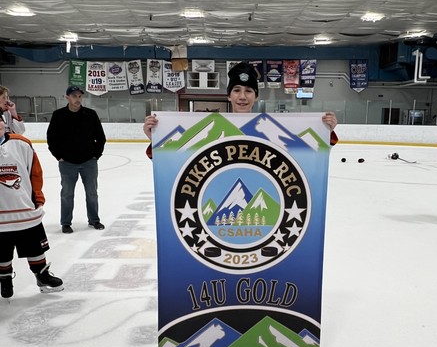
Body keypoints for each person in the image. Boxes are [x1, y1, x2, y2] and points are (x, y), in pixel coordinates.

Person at [143, 61, 338, 154]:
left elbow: (306, 154)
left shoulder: (271, 128)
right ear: (229, 96)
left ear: (256, 96)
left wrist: (326, 130)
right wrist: (156, 137)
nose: (242, 96)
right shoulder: (210, 127)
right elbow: (177, 159)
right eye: (236, 90)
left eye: (248, 91)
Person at [0, 116, 63, 298]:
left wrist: (38, 198)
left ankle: (42, 275)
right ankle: (5, 278)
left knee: (35, 247)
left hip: (25, 210)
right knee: (2, 251)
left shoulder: (22, 144)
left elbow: (35, 173)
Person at [46, 86, 107, 233]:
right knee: (67, 194)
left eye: (79, 96)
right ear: (67, 97)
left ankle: (94, 220)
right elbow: (52, 138)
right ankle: (66, 223)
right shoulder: (58, 115)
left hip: (88, 162)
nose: (77, 99)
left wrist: (96, 155)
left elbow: (100, 137)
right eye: (74, 96)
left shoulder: (90, 114)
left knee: (92, 192)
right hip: (67, 163)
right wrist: (58, 156)